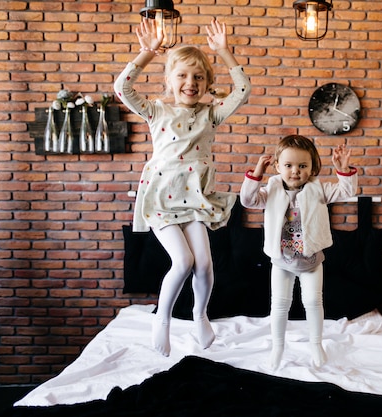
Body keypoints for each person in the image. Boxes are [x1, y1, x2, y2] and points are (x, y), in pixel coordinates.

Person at [114, 18, 251, 356]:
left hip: (195, 200)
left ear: (207, 82)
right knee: (183, 262)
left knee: (204, 264)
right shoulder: (156, 110)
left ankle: (199, 315)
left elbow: (243, 90)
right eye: (183, 75)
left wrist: (224, 52)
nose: (191, 82)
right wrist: (145, 54)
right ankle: (162, 319)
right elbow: (122, 89)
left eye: (199, 76)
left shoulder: (211, 114)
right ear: (170, 80)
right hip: (161, 199)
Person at [240, 135, 358, 369]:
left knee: (314, 301)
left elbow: (346, 192)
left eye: (303, 166)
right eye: (288, 165)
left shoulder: (318, 189)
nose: (295, 171)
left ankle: (316, 344)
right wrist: (256, 174)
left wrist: (343, 170)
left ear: (313, 167)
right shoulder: (272, 187)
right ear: (277, 166)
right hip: (282, 260)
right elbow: (248, 200)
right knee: (280, 304)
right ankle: (277, 347)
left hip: (311, 260)